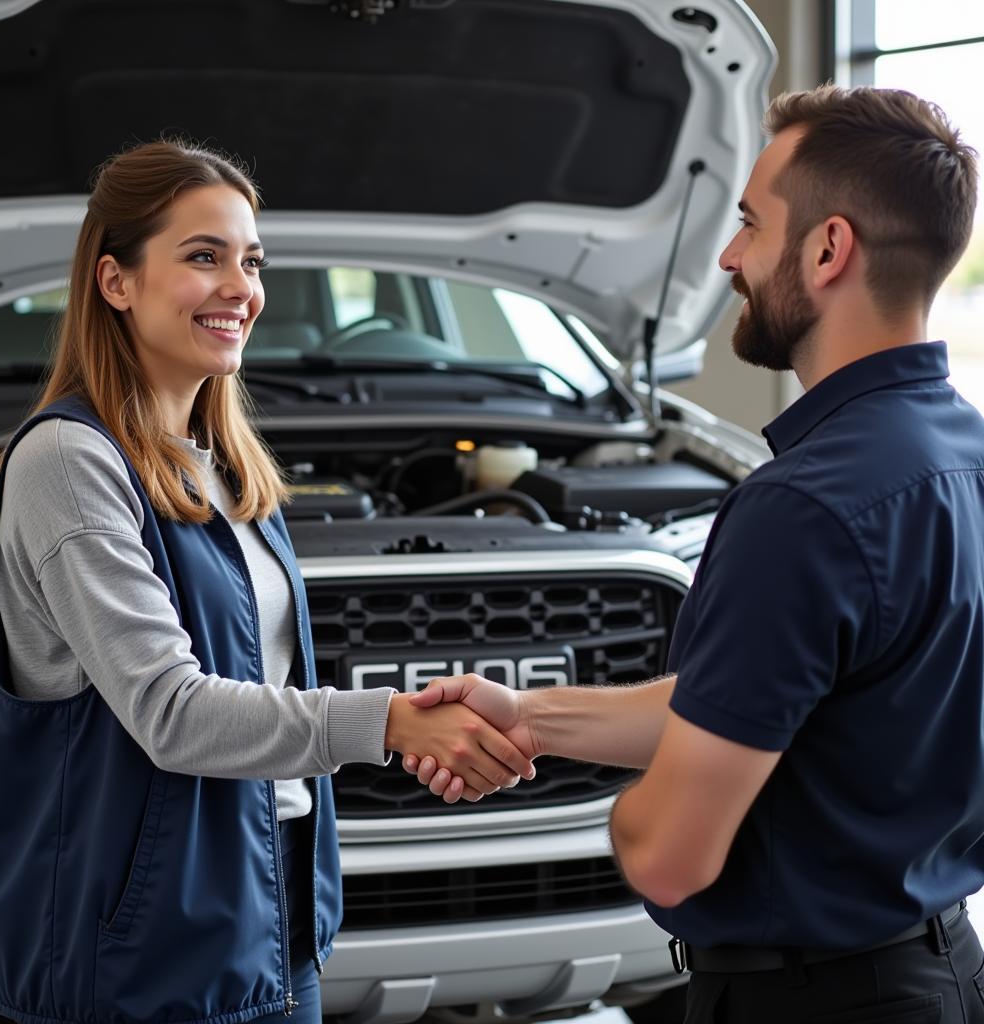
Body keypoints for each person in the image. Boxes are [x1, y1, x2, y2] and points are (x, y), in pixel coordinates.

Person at [403, 85, 984, 1022]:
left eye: (752, 224)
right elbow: (765, 691)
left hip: (807, 1002)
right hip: (938, 969)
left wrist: (620, 816)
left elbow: (669, 853)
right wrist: (531, 717)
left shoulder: (800, 506)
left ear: (829, 250)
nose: (728, 256)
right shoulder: (962, 453)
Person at [0, 139, 534, 1024]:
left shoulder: (232, 473)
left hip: (270, 929)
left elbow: (270, 689)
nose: (242, 287)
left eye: (251, 261)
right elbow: (171, 712)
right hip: (139, 966)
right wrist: (392, 720)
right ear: (115, 281)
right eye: (204, 257)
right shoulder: (67, 462)